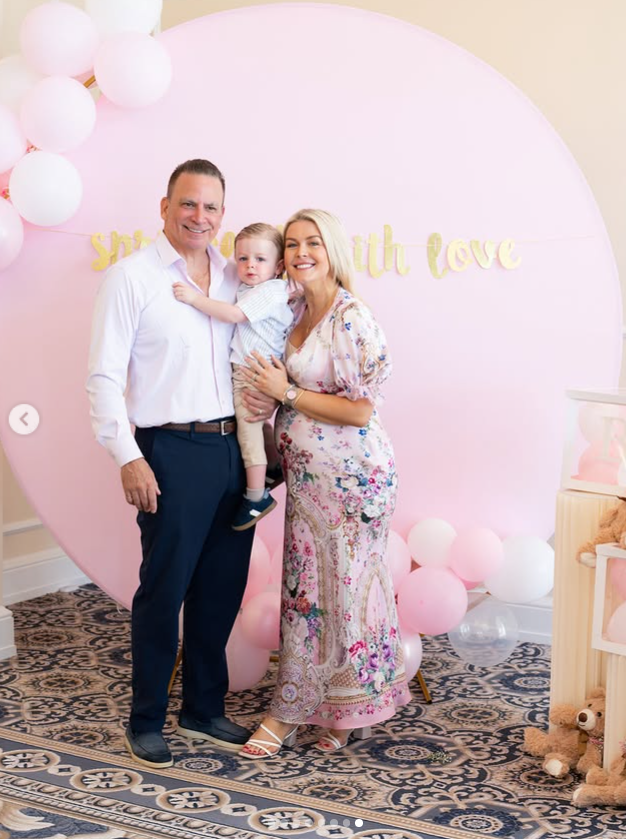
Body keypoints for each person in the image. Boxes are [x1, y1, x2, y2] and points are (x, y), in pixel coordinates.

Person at [86, 159, 275, 769]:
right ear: (164, 206)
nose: (200, 217)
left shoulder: (235, 277)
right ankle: (145, 720)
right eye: (189, 204)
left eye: (212, 207)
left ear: (224, 213)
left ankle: (202, 707)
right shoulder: (130, 278)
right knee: (164, 591)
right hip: (166, 450)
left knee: (221, 588)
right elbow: (104, 377)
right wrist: (127, 456)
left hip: (232, 450)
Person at [238, 209, 411, 759]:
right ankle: (321, 705)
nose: (300, 253)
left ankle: (319, 709)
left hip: (355, 480)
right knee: (309, 593)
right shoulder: (291, 311)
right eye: (291, 244)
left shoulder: (351, 317)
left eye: (312, 242)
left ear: (333, 250)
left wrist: (284, 394)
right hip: (309, 480)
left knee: (343, 593)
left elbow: (360, 411)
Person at [172, 222, 293, 530]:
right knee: (252, 424)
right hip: (250, 369)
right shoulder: (254, 288)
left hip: (254, 372)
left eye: (260, 259)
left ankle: (256, 497)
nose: (249, 265)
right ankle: (274, 466)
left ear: (279, 266)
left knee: (248, 433)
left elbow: (235, 315)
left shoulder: (269, 292)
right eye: (242, 258)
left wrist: (193, 298)